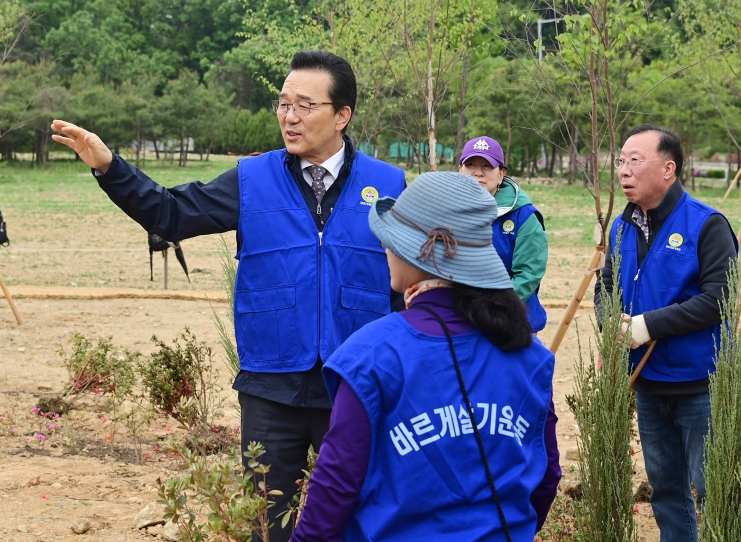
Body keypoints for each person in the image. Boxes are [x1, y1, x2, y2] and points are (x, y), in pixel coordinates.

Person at [51, 50, 406, 542]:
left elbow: (411, 286)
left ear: (342, 115)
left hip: (355, 386)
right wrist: (110, 167)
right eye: (283, 103)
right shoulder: (250, 180)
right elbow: (170, 213)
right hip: (270, 388)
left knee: (359, 519)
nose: (289, 116)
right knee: (265, 524)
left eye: (305, 105)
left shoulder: (389, 186)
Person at [290, 172, 561, 542]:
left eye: (391, 239)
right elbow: (546, 478)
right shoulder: (529, 354)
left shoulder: (369, 355)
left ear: (416, 253)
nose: (385, 249)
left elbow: (335, 489)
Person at [595, 124, 737, 542]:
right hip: (648, 383)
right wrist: (611, 325)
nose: (623, 169)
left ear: (668, 168)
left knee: (715, 492)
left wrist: (646, 325)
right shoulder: (622, 228)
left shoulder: (708, 225)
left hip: (701, 385)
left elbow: (718, 299)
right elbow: (607, 285)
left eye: (635, 160)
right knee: (666, 491)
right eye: (620, 160)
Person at [458, 136, 549, 332]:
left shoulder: (523, 217)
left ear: (501, 174)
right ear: (460, 170)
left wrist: (488, 307)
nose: (478, 173)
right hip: (460, 321)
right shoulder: (446, 212)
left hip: (509, 323)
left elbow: (528, 274)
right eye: (471, 164)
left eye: (487, 166)